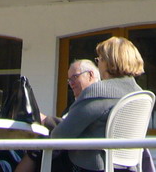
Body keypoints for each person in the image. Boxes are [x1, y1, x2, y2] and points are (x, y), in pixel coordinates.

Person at [46, 37, 145, 172]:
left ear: (109, 61)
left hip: (94, 166)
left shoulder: (98, 90)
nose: (98, 65)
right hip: (128, 167)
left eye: (99, 59)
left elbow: (60, 136)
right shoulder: (140, 94)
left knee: (40, 155)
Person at [10, 60, 100, 172]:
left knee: (37, 147)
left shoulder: (95, 99)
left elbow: (70, 128)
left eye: (75, 77)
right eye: (69, 80)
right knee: (8, 153)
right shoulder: (75, 104)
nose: (71, 83)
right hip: (64, 153)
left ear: (90, 75)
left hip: (81, 161)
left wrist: (44, 120)